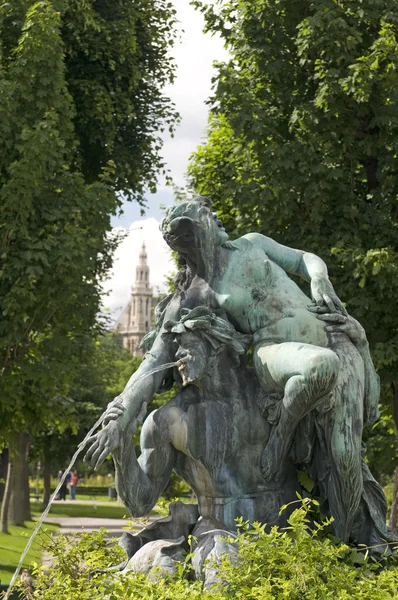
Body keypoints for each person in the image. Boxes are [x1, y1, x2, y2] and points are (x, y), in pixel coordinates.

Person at [85, 196, 379, 542]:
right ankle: (284, 435)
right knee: (330, 402)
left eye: (208, 216)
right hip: (278, 350)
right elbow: (151, 366)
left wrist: (319, 280)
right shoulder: (195, 295)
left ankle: (353, 548)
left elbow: (304, 259)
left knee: (346, 455)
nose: (215, 223)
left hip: (332, 333)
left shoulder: (252, 244)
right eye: (203, 222)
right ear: (190, 242)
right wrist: (121, 414)